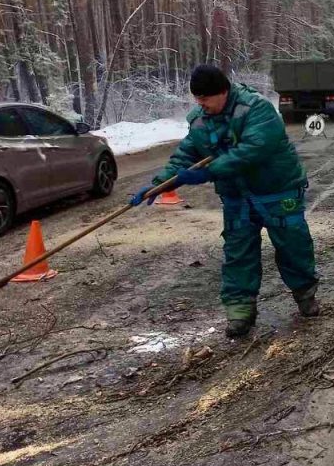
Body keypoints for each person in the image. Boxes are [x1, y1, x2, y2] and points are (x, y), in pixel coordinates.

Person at [130, 64, 319, 338]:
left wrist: (209, 172)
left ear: (223, 92)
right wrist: (160, 184)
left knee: (293, 245)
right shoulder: (200, 120)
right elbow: (186, 154)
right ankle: (240, 311)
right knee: (238, 252)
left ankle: (305, 295)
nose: (201, 105)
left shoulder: (257, 110)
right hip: (237, 196)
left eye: (205, 99)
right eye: (197, 100)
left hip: (277, 190)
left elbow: (252, 151)